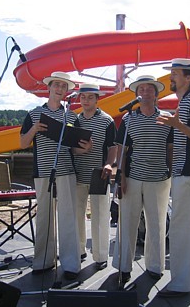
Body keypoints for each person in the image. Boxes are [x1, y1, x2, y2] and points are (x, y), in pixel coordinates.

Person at [20, 71, 86, 280]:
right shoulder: (34, 114)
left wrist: (85, 148)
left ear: (67, 91)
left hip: (66, 171)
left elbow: (75, 149)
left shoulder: (72, 116)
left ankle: (70, 264)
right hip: (43, 172)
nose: (59, 89)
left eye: (63, 86)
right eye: (56, 85)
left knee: (68, 218)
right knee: (45, 217)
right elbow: (22, 143)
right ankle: (43, 261)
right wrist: (35, 129)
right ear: (49, 88)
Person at [112, 75, 173, 283]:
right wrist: (121, 176)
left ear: (156, 94)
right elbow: (121, 150)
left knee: (156, 224)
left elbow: (170, 149)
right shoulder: (129, 119)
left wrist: (170, 172)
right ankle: (123, 265)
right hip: (133, 177)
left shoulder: (167, 118)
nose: (145, 92)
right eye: (142, 89)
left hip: (159, 179)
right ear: (137, 93)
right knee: (127, 221)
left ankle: (155, 266)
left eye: (150, 89)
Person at [156, 58, 190, 297]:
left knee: (181, 227)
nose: (171, 77)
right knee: (188, 225)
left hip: (189, 172)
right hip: (186, 172)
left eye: (175, 73)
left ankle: (185, 283)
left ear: (188, 77)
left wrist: (177, 124)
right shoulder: (187, 101)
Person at [72, 83, 117, 271]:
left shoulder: (107, 121)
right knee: (77, 214)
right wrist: (84, 150)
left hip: (99, 173)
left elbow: (112, 147)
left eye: (90, 97)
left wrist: (108, 164)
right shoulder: (75, 121)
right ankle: (79, 249)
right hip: (78, 173)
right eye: (83, 97)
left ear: (97, 99)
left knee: (100, 215)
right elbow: (72, 148)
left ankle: (100, 255)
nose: (86, 100)